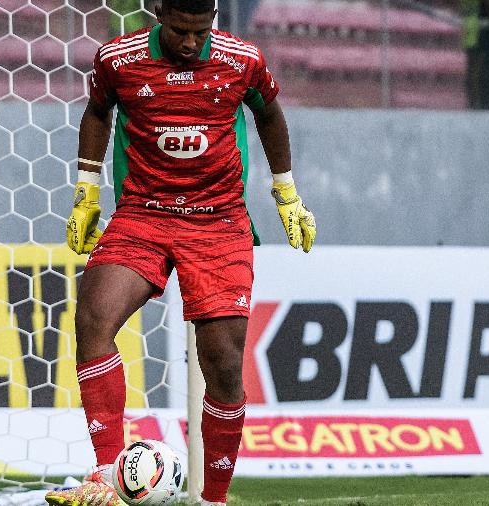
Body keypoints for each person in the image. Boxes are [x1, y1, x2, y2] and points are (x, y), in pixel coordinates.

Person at [46, 0, 316, 505]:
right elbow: (98, 111)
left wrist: (287, 193)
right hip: (143, 213)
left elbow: (270, 114)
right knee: (93, 319)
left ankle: (214, 498)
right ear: (158, 14)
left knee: (225, 363)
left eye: (201, 31)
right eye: (179, 31)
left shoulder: (242, 60)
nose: (192, 43)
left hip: (218, 221)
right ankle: (106, 474)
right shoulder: (118, 59)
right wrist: (86, 190)